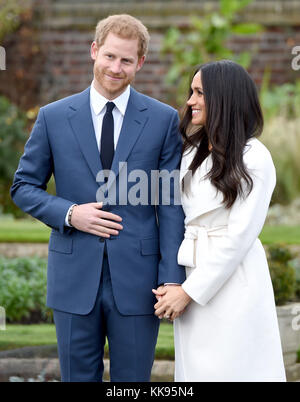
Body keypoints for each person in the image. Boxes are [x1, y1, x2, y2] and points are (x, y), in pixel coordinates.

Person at [11, 14, 185, 382]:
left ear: (140, 62)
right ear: (94, 51)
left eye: (126, 60)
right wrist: (70, 213)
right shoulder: (53, 117)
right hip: (73, 277)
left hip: (139, 281)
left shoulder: (163, 120)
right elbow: (23, 186)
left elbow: (170, 204)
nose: (115, 68)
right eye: (109, 56)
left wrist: (171, 277)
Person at [153, 60, 286, 382]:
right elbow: (171, 216)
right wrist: (174, 282)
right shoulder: (189, 152)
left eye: (199, 93)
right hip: (190, 272)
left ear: (223, 98)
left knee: (237, 368)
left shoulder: (255, 156)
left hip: (234, 283)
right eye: (191, 92)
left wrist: (189, 292)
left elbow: (239, 237)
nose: (190, 101)